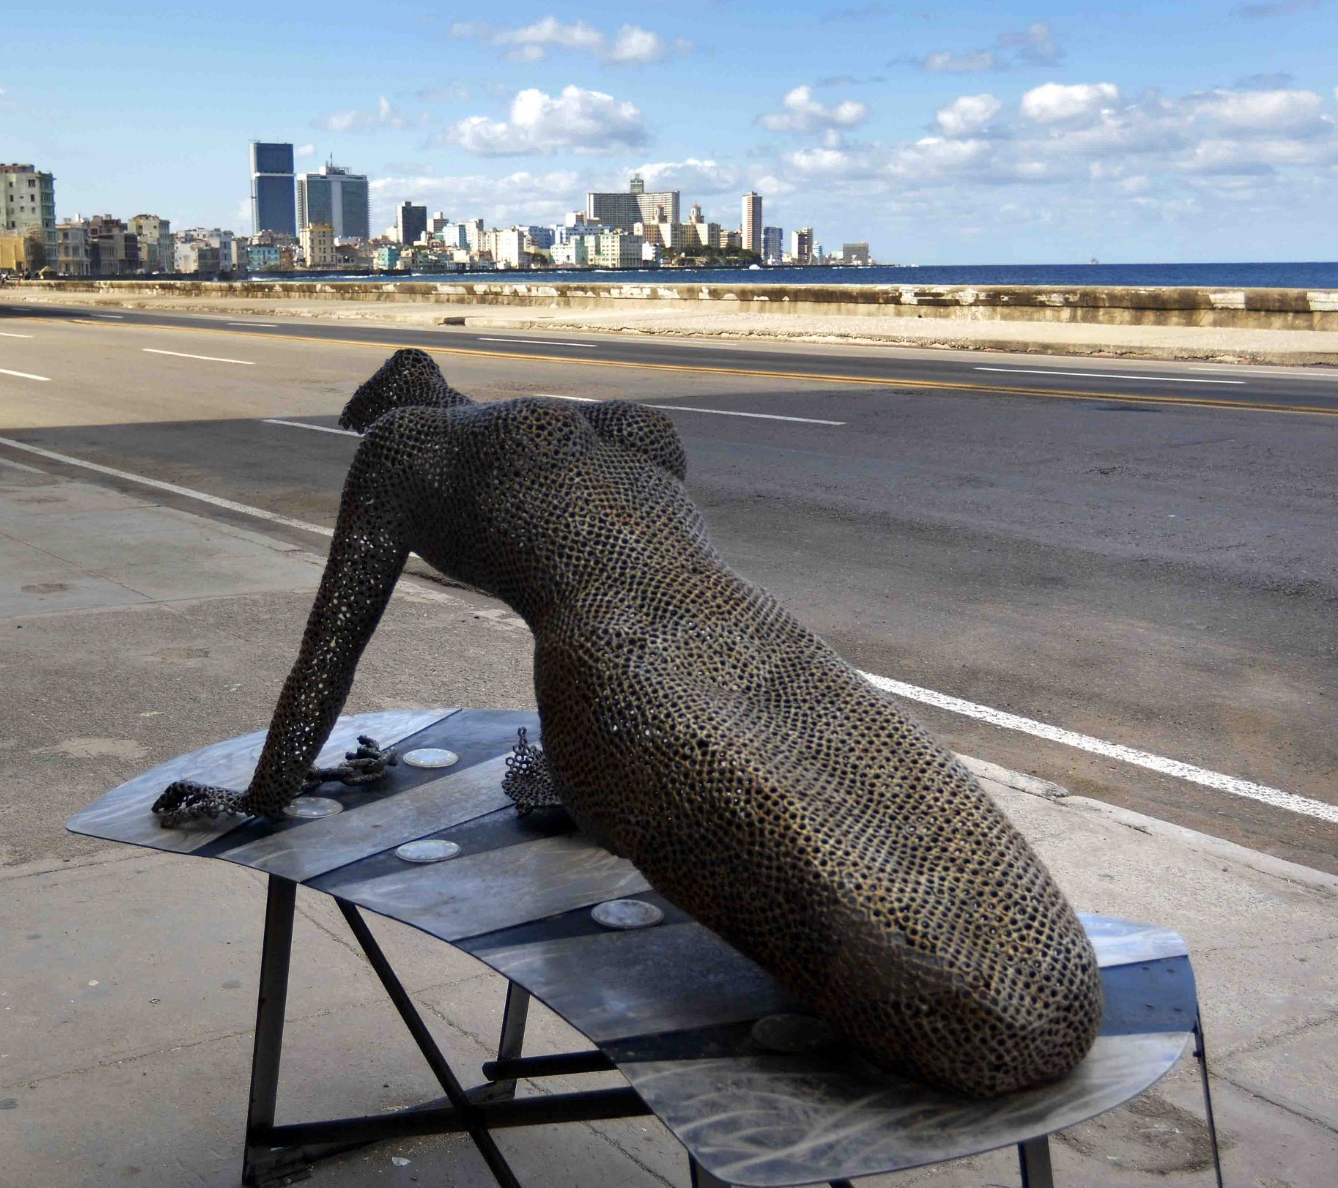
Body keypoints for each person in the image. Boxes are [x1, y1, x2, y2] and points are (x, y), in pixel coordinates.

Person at [154, 349, 1103, 1098]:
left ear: (396, 406)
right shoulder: (618, 428)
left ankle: (963, 1018)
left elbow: (332, 642)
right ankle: (1020, 996)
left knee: (777, 840)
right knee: (872, 809)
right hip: (758, 628)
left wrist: (266, 791)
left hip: (612, 673)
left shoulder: (403, 447)